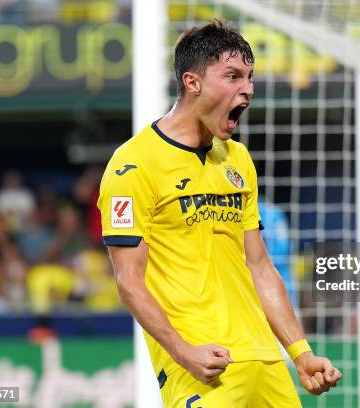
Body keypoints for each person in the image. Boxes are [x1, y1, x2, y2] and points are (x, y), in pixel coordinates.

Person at [98, 20, 341, 407]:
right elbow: (129, 282)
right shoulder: (133, 165)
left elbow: (260, 267)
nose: (247, 89)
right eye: (232, 76)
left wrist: (300, 352)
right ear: (192, 82)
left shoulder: (238, 159)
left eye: (249, 77)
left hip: (265, 359)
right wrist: (182, 350)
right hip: (203, 366)